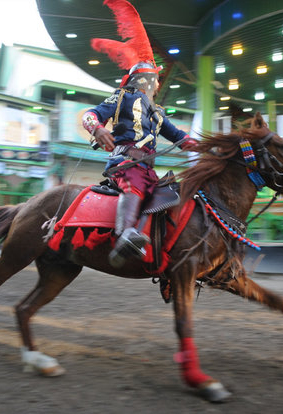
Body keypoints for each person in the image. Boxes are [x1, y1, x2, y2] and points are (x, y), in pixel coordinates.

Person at [82, 0, 198, 267]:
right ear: (146, 80)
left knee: (167, 194)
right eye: (155, 80)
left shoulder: (157, 113)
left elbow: (179, 136)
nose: (157, 84)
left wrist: (201, 146)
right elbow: (91, 115)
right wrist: (98, 128)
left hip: (148, 169)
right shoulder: (122, 97)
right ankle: (123, 235)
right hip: (126, 164)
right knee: (133, 182)